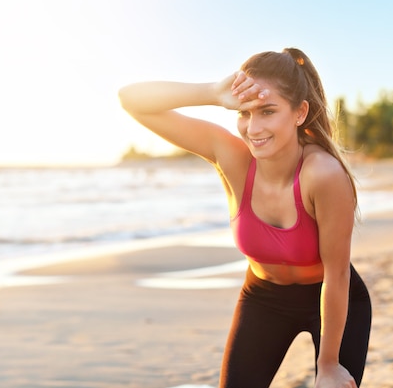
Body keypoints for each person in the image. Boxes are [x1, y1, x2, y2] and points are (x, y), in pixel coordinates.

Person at [118, 47, 372, 388]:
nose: (253, 128)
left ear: (300, 113)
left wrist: (327, 365)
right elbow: (131, 99)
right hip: (263, 298)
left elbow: (337, 274)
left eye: (267, 111)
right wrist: (210, 93)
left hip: (331, 296)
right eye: (244, 112)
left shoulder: (323, 175)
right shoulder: (231, 157)